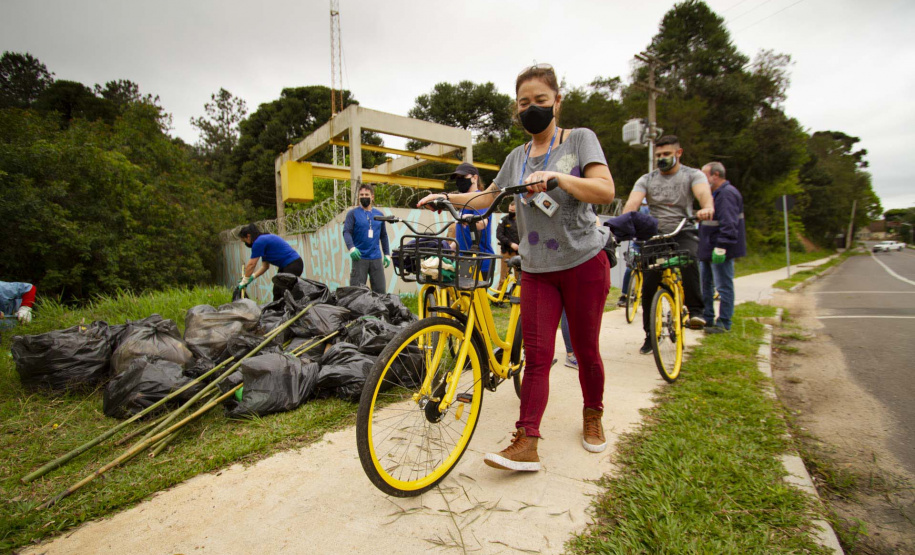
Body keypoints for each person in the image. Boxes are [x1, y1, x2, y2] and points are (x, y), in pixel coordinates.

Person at [417, 63, 615, 471]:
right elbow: (486, 199)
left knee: (586, 349)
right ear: (516, 110)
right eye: (524, 103)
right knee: (538, 357)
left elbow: (605, 190)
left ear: (557, 101)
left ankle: (592, 413)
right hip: (537, 268)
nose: (532, 109)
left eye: (540, 101)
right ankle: (527, 440)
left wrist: (558, 178)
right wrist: (443, 199)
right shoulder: (516, 158)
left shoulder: (579, 140)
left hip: (583, 263)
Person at [622, 135, 714, 355]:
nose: (662, 159)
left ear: (678, 153)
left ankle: (696, 311)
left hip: (683, 229)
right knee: (649, 285)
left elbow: (704, 195)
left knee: (690, 259)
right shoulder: (647, 179)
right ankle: (649, 337)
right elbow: (632, 203)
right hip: (656, 235)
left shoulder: (692, 175)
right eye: (658, 155)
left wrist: (706, 208)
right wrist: (627, 219)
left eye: (666, 154)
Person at [698, 162, 746, 333]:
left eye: (705, 175)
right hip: (708, 249)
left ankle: (724, 322)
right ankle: (708, 318)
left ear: (715, 175)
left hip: (718, 250)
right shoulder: (715, 194)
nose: (702, 180)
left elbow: (729, 224)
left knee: (723, 286)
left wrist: (721, 247)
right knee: (707, 285)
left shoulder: (726, 195)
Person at [447, 162, 496, 277]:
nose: (459, 181)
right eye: (457, 179)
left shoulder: (480, 198)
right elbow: (464, 235)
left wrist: (467, 219)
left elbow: (482, 223)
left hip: (480, 260)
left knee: (473, 295)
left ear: (475, 178)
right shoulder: (465, 203)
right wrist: (449, 248)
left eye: (463, 177)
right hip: (465, 259)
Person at [343, 183, 392, 294]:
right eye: (361, 195)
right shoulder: (353, 214)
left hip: (376, 258)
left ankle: (378, 311)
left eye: (366, 194)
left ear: (372, 197)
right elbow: (346, 232)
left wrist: (387, 254)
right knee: (357, 293)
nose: (364, 197)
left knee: (380, 291)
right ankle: (358, 312)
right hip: (359, 257)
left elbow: (383, 235)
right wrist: (351, 248)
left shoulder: (379, 215)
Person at [237, 224, 304, 301]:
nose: (245, 243)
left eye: (244, 241)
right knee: (277, 291)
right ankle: (278, 312)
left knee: (284, 292)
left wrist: (245, 279)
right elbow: (265, 266)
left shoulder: (258, 242)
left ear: (248, 236)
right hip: (287, 266)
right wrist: (252, 277)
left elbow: (251, 264)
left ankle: (296, 310)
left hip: (293, 264)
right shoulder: (262, 241)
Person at [617, 200, 651, 307]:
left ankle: (650, 299)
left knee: (650, 271)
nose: (644, 208)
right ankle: (624, 295)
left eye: (645, 205)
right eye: (642, 205)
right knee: (629, 268)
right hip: (635, 244)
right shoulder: (635, 214)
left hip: (650, 245)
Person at [495, 200, 520, 289]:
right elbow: (499, 234)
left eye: (513, 211)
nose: (511, 212)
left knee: (519, 279)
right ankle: (499, 298)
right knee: (503, 278)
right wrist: (510, 244)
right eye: (510, 210)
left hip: (519, 254)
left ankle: (519, 298)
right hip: (506, 253)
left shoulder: (522, 221)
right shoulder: (504, 220)